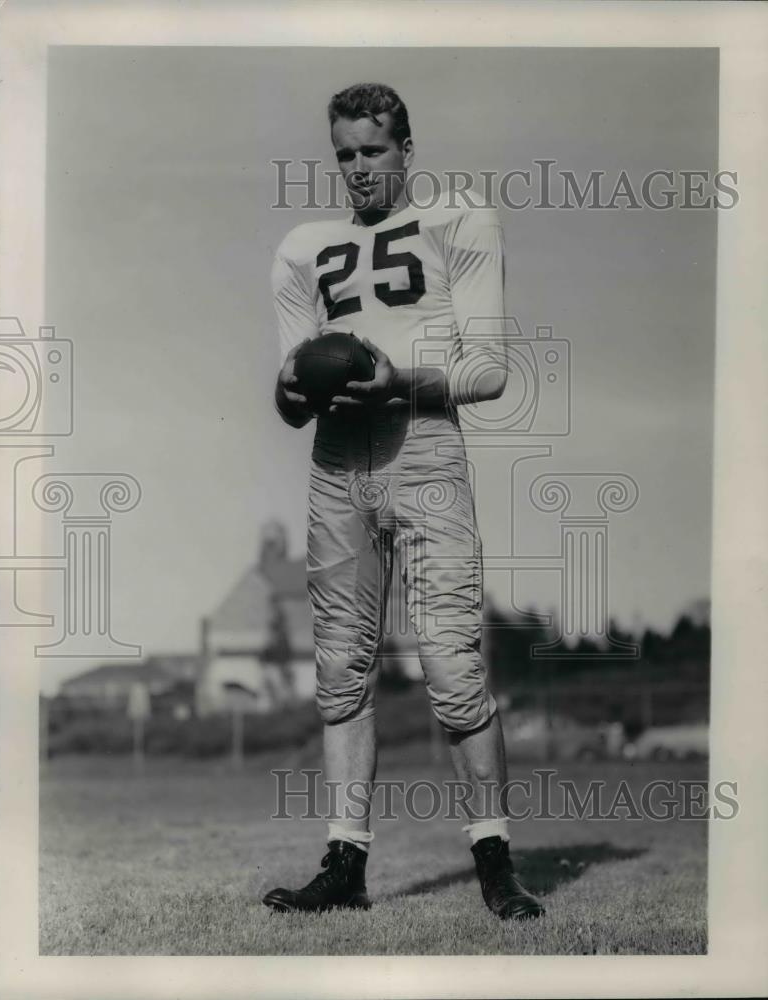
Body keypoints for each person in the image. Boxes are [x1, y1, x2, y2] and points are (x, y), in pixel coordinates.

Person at [262, 82, 544, 921]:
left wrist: (400, 380)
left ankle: (494, 862)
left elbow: (488, 373)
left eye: (372, 150)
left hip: (423, 443)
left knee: (452, 666)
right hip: (337, 461)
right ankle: (344, 866)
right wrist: (289, 391)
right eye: (344, 153)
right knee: (340, 672)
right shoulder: (301, 248)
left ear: (407, 151)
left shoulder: (459, 220)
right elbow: (288, 400)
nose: (357, 168)